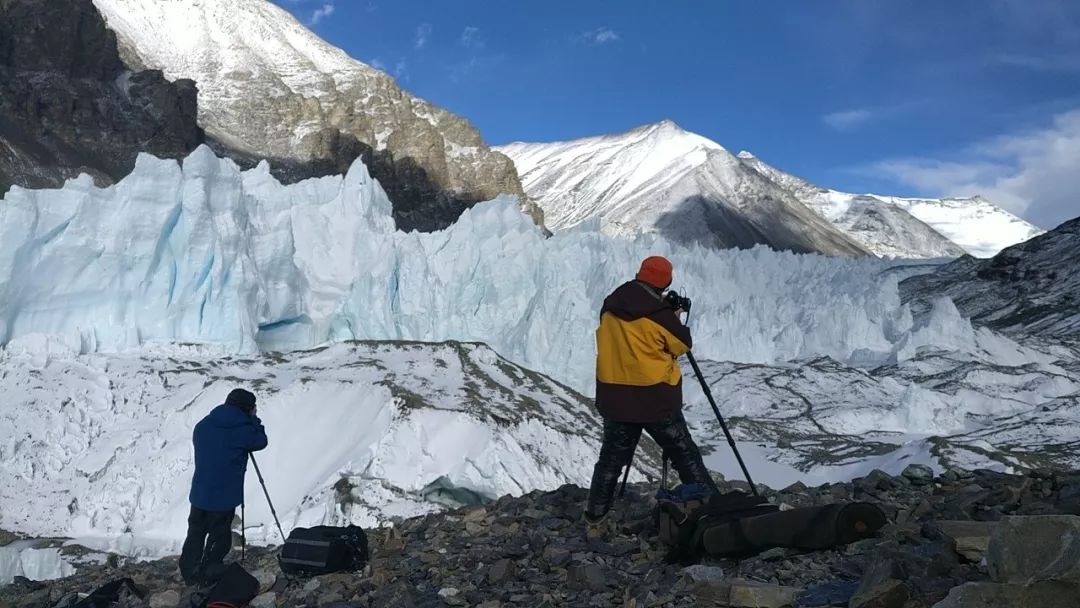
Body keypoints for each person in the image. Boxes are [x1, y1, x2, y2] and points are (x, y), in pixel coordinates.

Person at [585, 256, 719, 536]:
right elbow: (681, 345)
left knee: (610, 459)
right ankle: (711, 509)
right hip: (654, 399)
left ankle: (595, 519)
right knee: (683, 452)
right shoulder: (660, 316)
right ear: (665, 283)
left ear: (639, 274)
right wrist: (674, 317)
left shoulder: (611, 304)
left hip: (616, 397)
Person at [179, 388, 268, 586]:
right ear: (247, 409)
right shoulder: (244, 430)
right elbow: (261, 441)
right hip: (224, 498)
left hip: (200, 494)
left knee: (195, 532)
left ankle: (189, 571)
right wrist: (253, 420)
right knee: (219, 536)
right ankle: (208, 571)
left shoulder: (203, 425)